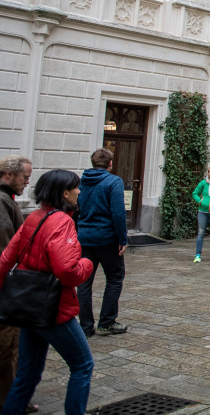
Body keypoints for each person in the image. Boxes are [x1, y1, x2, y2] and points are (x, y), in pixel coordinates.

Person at [0, 169, 94, 415]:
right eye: (76, 187)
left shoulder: (35, 217)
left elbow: (6, 259)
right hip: (53, 308)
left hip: (26, 305)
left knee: (26, 374)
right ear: (65, 192)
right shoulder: (62, 222)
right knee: (83, 364)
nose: (79, 191)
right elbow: (67, 271)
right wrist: (88, 264)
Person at [76, 148, 129, 338]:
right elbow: (118, 212)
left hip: (84, 238)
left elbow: (75, 209)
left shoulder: (81, 183)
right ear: (110, 163)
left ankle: (85, 326)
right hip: (107, 239)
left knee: (83, 283)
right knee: (114, 278)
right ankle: (106, 322)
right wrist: (122, 238)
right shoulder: (113, 181)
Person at [0, 155, 31, 407]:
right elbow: (7, 246)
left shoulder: (7, 200)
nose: (27, 183)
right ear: (8, 175)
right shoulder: (2, 202)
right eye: (24, 177)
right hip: (6, 287)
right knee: (8, 346)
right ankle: (10, 401)